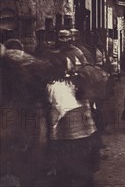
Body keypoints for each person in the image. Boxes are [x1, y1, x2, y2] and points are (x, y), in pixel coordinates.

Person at [46, 51, 99, 186]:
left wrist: (52, 133)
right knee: (84, 166)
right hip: (87, 128)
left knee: (68, 168)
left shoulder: (53, 86)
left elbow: (58, 109)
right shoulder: (77, 80)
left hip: (68, 130)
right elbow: (90, 103)